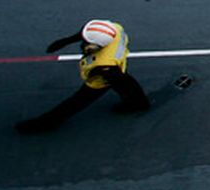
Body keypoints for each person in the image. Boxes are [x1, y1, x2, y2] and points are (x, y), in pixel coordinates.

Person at [15, 19, 149, 133]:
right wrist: (65, 41)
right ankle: (138, 102)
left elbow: (121, 80)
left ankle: (45, 123)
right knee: (127, 87)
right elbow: (89, 33)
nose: (82, 41)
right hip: (118, 65)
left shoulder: (104, 64)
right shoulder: (115, 29)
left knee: (76, 102)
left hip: (101, 79)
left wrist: (64, 42)